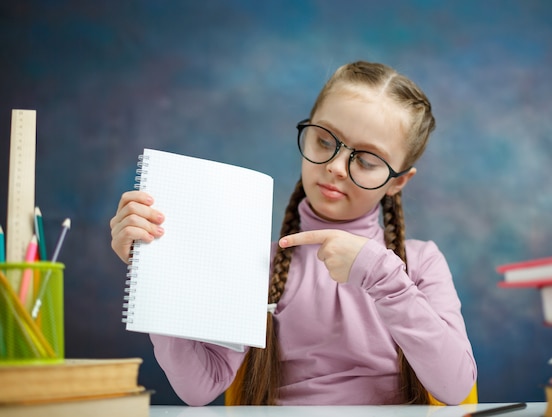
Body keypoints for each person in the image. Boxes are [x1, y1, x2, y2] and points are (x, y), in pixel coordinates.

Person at [110, 61, 477, 406]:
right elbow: (199, 387)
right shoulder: (257, 263)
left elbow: (455, 387)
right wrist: (154, 269)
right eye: (323, 141)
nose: (335, 167)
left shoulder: (419, 262)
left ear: (397, 181)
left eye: (366, 161)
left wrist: (382, 275)